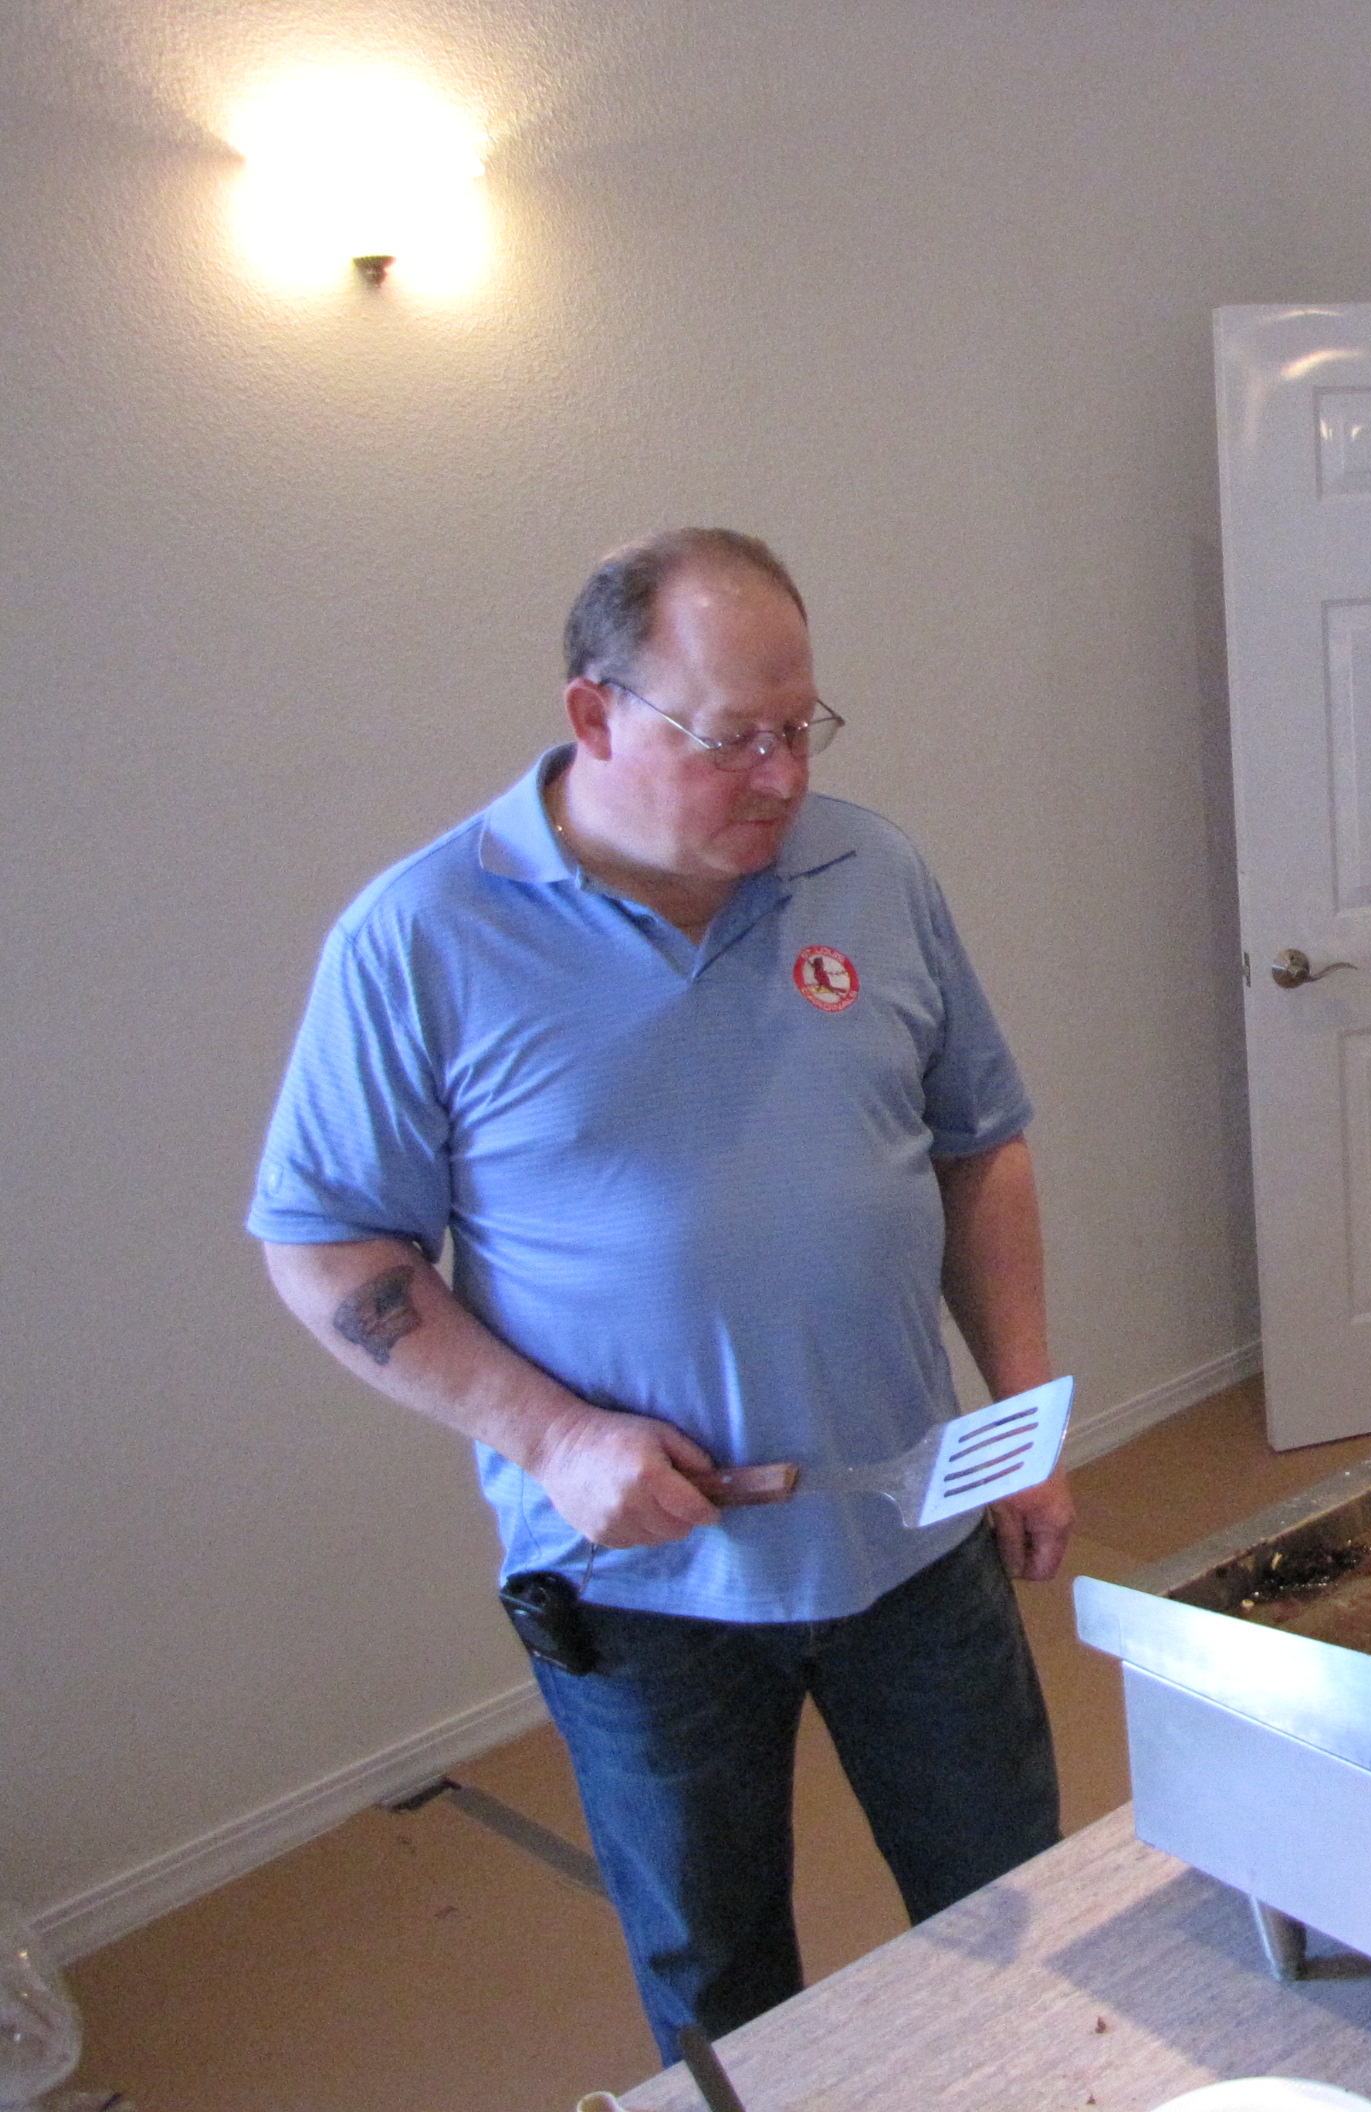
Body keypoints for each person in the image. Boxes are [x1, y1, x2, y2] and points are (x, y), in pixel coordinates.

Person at [249, 529, 1068, 2057]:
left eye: (802, 729)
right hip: (644, 1595)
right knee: (719, 1973)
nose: (781, 778)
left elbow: (979, 1143)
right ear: (595, 714)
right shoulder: (424, 935)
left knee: (1012, 1904)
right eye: (732, 739)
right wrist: (556, 1438)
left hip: (914, 1528)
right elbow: (328, 1250)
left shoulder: (873, 871)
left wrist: (1023, 1408)